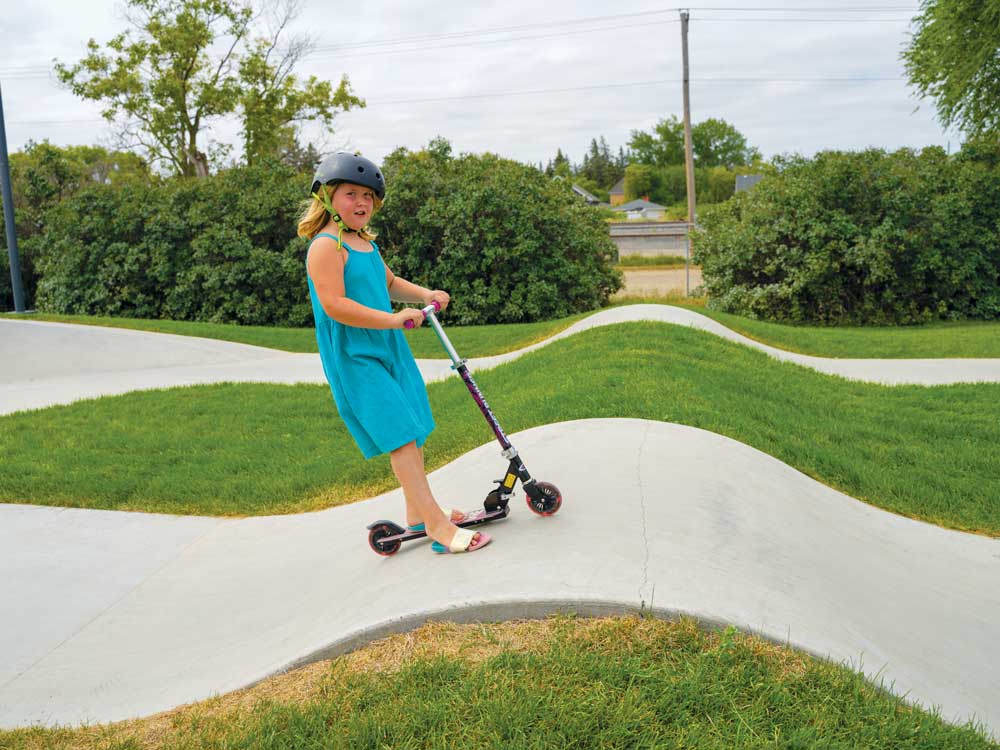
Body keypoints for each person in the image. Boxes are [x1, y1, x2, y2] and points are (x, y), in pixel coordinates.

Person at [297, 152, 490, 554]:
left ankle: (418, 515)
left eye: (368, 196)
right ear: (328, 197)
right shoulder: (325, 247)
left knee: (414, 431)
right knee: (399, 435)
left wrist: (424, 295)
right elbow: (334, 305)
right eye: (351, 194)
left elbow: (388, 283)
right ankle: (437, 525)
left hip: (390, 348)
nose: (362, 202)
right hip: (356, 355)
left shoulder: (363, 243)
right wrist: (392, 320)